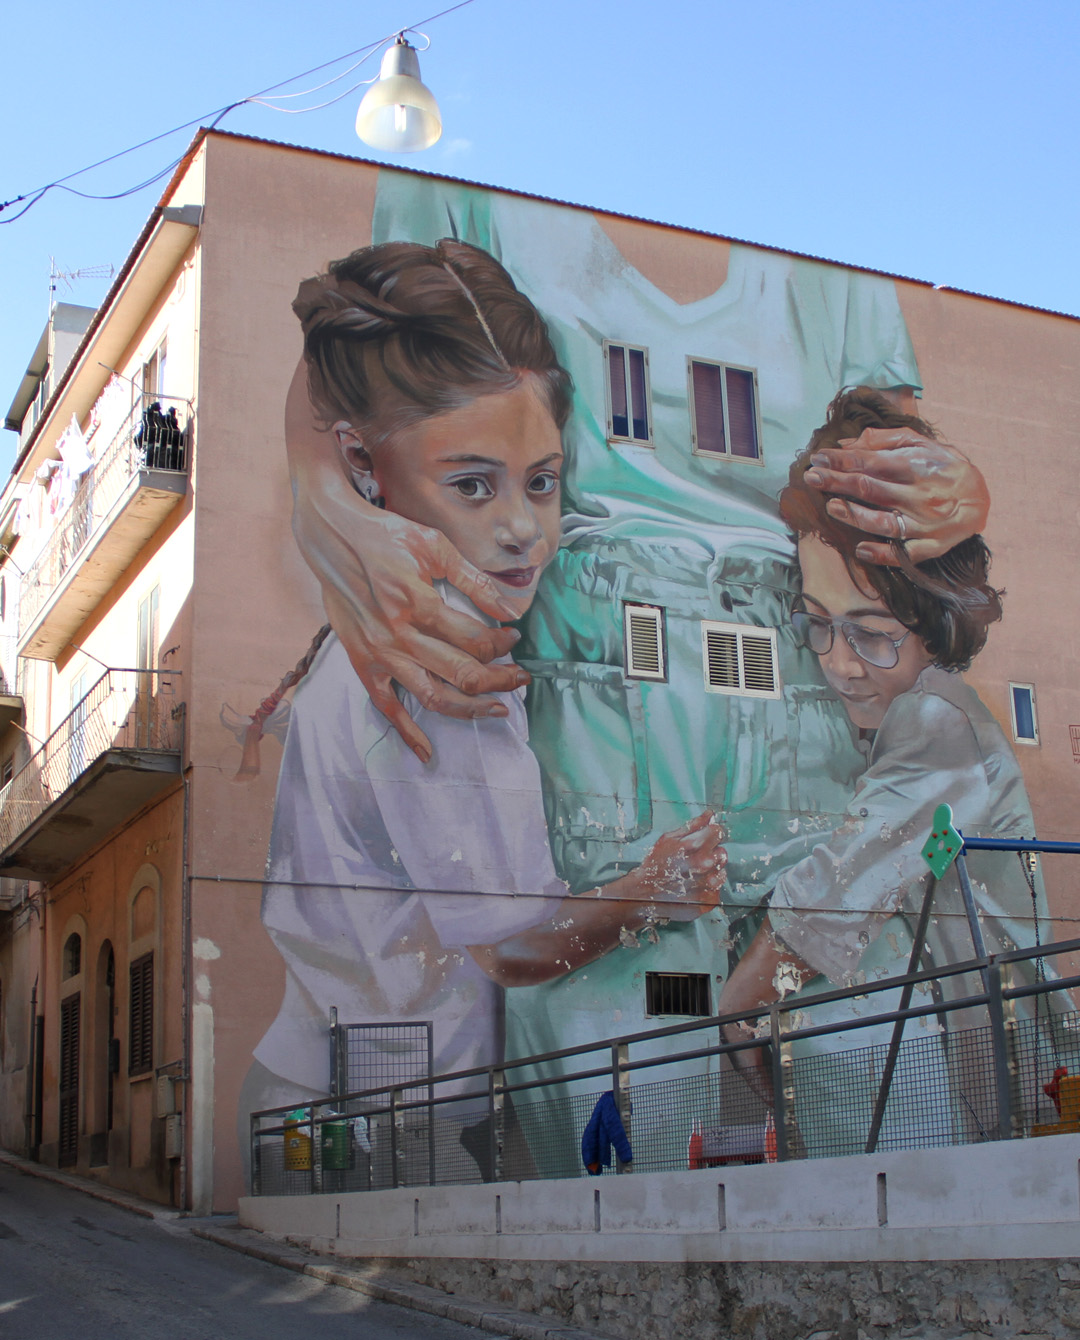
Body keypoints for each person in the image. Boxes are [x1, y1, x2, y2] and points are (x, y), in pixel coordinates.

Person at [250, 240, 726, 1133]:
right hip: (388, 1120)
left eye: (540, 483)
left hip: (326, 1087)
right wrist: (657, 888)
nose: (521, 529)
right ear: (364, 469)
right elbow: (512, 949)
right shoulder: (442, 668)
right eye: (472, 485)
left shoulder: (369, 629)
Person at [715, 387, 1055, 1153]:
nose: (839, 664)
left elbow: (843, 885)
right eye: (819, 624)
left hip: (980, 1099)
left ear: (936, 624)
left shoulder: (938, 718)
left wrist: (740, 1006)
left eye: (870, 633)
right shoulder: (889, 719)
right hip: (968, 1093)